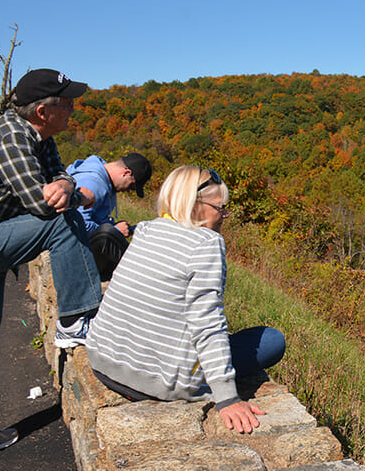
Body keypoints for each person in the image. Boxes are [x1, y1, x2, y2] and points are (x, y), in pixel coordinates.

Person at [0, 68, 103, 463]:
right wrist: (79, 195)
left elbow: (56, 180)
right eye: (67, 103)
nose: (72, 109)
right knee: (63, 222)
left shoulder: (39, 137)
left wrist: (65, 184)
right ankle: (76, 321)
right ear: (43, 111)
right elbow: (43, 206)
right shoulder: (11, 136)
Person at [86, 166, 286, 434]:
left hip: (102, 361)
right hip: (159, 381)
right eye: (220, 207)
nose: (224, 215)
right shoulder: (206, 244)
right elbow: (207, 324)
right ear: (195, 205)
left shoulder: (146, 230)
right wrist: (227, 398)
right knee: (272, 340)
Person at [66, 153, 152, 280]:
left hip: (79, 246)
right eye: (131, 186)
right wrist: (115, 231)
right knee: (107, 233)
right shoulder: (93, 183)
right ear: (126, 173)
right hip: (73, 252)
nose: (128, 190)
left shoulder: (100, 173)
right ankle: (146, 278)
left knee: (110, 232)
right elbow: (76, 223)